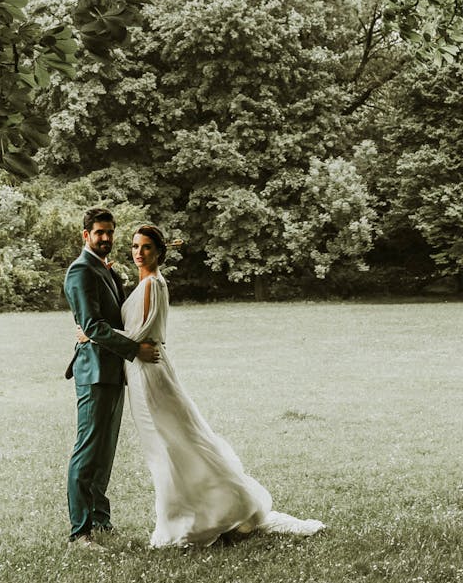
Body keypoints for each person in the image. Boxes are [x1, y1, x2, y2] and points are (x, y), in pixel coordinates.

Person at [78, 224, 326, 549]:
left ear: (159, 252)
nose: (139, 252)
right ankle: (195, 510)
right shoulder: (140, 283)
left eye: (147, 247)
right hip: (137, 373)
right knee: (164, 445)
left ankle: (192, 518)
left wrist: (93, 334)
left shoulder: (154, 283)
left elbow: (144, 334)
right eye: (136, 246)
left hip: (149, 371)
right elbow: (129, 320)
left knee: (174, 441)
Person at [64, 208, 161, 549]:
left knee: (104, 453)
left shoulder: (106, 269)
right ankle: (80, 532)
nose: (105, 238)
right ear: (85, 235)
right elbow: (91, 325)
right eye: (99, 232)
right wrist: (135, 349)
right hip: (93, 374)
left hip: (113, 371)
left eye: (109, 232)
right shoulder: (80, 271)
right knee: (88, 450)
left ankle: (100, 520)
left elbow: (114, 316)